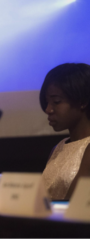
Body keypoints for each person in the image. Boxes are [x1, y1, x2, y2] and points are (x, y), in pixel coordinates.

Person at [40, 63, 90, 200]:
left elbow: (74, 205)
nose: (48, 109)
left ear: (83, 101)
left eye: (56, 102)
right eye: (47, 102)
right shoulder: (58, 147)